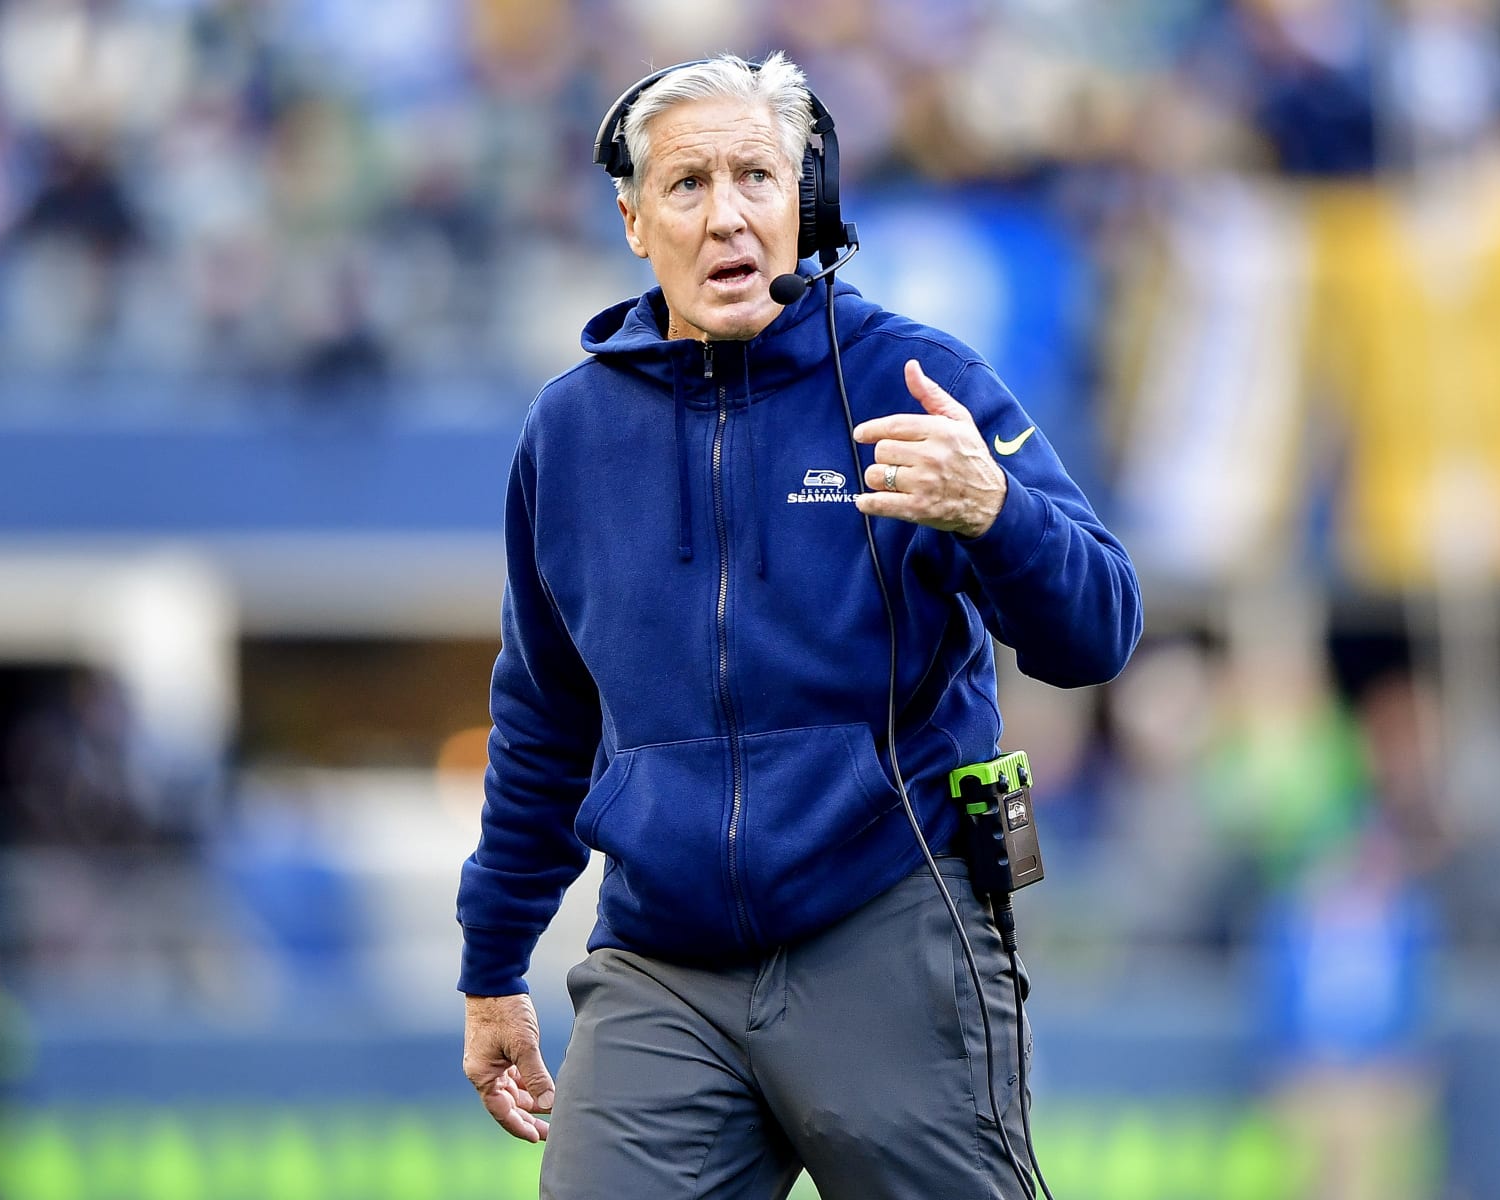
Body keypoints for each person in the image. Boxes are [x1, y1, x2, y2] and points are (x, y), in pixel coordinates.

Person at [457, 52, 1141, 1199]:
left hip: (886, 914)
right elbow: (542, 720)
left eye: (757, 177)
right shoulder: (569, 432)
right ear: (632, 220)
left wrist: (996, 511)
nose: (726, 214)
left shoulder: (918, 380)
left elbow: (1098, 631)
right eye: (686, 185)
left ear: (806, 203)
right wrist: (492, 965)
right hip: (662, 960)